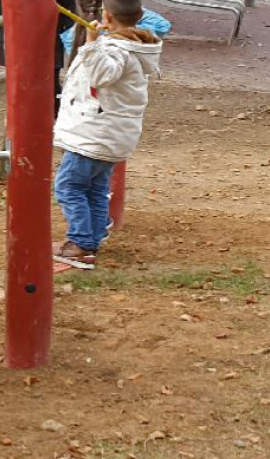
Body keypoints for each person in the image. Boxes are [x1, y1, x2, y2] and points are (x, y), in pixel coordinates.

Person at [52, 0, 162, 270]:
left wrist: (91, 42)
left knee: (69, 187)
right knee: (96, 188)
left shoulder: (118, 49)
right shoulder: (130, 46)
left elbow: (101, 75)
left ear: (107, 16)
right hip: (107, 136)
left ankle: (80, 244)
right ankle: (94, 235)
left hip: (93, 136)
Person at [0, 0, 79, 115]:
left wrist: (71, 37)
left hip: (48, 38)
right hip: (18, 41)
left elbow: (69, 11)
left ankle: (59, 113)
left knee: (51, 83)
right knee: (20, 84)